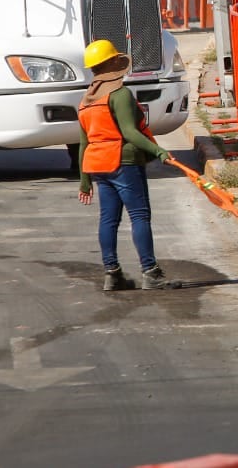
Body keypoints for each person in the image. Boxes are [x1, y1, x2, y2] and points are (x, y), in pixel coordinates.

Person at [75, 39, 177, 291]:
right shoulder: (119, 95)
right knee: (139, 215)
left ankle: (112, 273)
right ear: (113, 64)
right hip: (123, 161)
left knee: (108, 220)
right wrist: (159, 151)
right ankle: (150, 272)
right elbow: (130, 132)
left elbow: (83, 143)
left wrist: (84, 180)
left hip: (98, 164)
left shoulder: (86, 101)